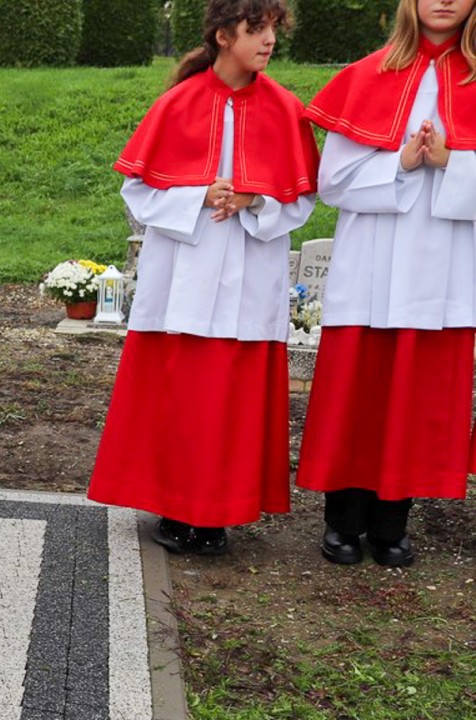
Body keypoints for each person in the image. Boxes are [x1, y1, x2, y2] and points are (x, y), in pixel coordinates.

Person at [87, 0, 318, 556]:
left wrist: (256, 198)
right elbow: (137, 192)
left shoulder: (286, 109)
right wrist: (198, 196)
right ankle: (172, 505)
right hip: (183, 279)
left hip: (249, 277)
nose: (268, 41)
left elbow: (303, 198)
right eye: (255, 29)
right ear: (221, 35)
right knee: (179, 396)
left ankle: (217, 513)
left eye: (272, 30)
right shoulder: (177, 103)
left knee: (232, 401)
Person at [295, 0, 476, 567]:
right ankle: (342, 521)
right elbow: (334, 183)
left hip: (445, 267)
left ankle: (393, 522)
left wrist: (451, 161)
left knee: (417, 398)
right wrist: (399, 162)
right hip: (371, 262)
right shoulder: (366, 77)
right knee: (358, 390)